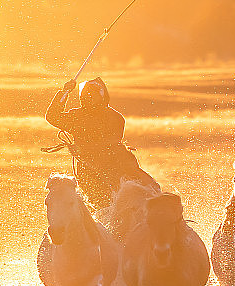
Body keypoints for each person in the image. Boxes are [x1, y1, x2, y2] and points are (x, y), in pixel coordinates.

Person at [45, 77, 159, 208]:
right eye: (86, 94)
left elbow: (53, 116)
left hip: (117, 166)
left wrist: (65, 93)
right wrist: (64, 93)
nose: (88, 97)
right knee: (103, 204)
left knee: (147, 189)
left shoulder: (112, 118)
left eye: (92, 94)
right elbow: (53, 117)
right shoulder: (81, 117)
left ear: (101, 95)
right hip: (92, 170)